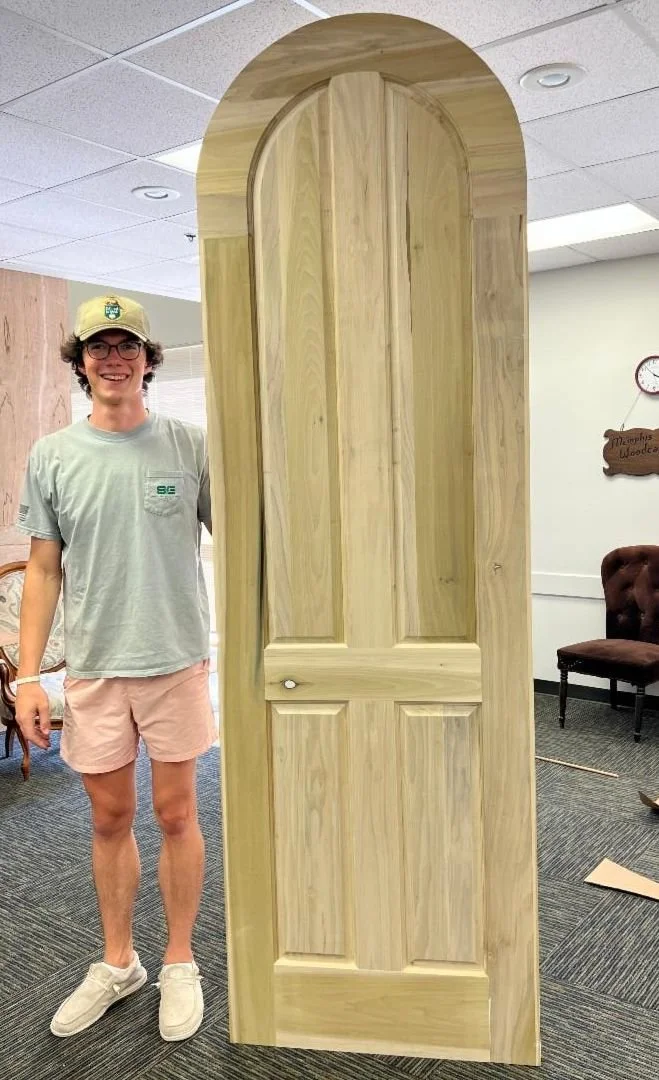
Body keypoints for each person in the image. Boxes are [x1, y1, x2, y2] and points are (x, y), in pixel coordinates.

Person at [15, 294, 215, 1043]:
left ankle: (179, 961)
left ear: (147, 359)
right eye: (97, 348)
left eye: (125, 345)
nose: (113, 358)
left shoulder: (189, 446)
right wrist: (28, 676)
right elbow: (42, 570)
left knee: (176, 814)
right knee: (108, 816)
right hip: (97, 668)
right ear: (81, 362)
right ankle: (118, 961)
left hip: (175, 662)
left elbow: (254, 537)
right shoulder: (55, 455)